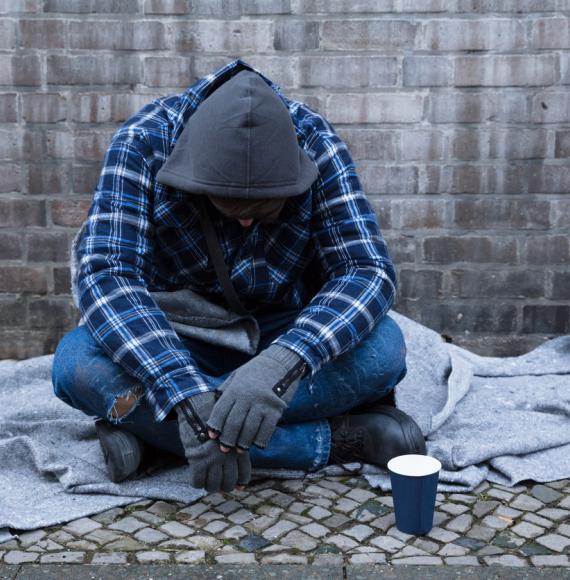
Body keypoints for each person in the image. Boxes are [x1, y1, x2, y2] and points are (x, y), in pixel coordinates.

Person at [52, 59, 425, 493]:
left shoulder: (316, 142)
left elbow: (367, 270)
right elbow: (107, 274)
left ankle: (157, 437)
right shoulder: (142, 142)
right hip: (176, 334)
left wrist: (283, 365)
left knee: (387, 350)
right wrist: (184, 394)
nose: (247, 224)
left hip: (285, 327)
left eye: (264, 208)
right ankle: (337, 439)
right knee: (74, 365)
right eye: (231, 207)